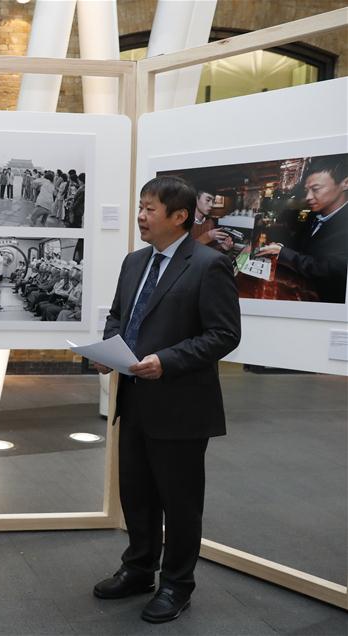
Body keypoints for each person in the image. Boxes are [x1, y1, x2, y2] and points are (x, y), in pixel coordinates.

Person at [92, 176, 240, 624]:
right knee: (135, 493)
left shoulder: (209, 265)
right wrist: (107, 350)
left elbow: (224, 334)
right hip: (134, 398)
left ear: (180, 216)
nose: (140, 216)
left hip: (181, 404)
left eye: (150, 208)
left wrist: (167, 361)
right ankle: (138, 569)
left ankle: (177, 583)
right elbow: (120, 315)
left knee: (179, 501)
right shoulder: (134, 261)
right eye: (140, 206)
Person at [255, 156, 348, 303]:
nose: (308, 197)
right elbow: (302, 247)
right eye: (307, 190)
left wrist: (284, 253)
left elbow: (334, 270)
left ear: (345, 183)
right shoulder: (313, 215)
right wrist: (279, 248)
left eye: (316, 189)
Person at [190, 185, 232, 252]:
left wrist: (223, 247)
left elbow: (210, 249)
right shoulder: (185, 223)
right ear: (196, 199)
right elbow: (184, 252)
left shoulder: (210, 222)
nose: (211, 205)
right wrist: (208, 236)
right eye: (208, 200)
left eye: (213, 201)